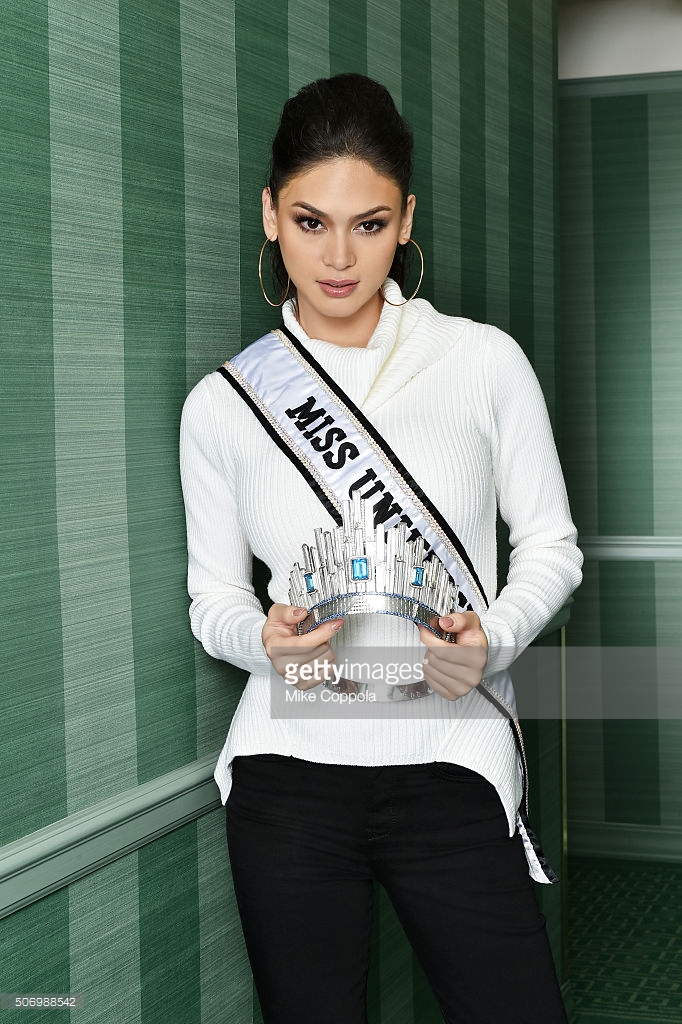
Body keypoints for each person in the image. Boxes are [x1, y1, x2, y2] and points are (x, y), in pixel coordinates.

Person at [180, 73, 582, 1024]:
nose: (337, 257)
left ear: (405, 220)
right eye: (310, 222)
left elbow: (552, 546)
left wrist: (493, 638)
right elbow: (213, 601)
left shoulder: (484, 362)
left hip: (451, 758)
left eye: (367, 224)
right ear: (270, 215)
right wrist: (263, 641)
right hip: (287, 775)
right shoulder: (225, 404)